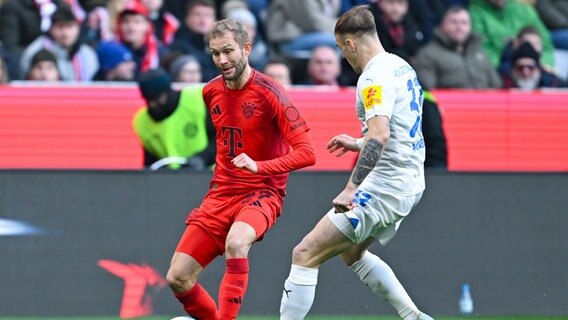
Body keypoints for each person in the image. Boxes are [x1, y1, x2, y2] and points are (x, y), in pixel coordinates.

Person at [279, 5, 433, 320]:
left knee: (305, 253)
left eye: (340, 48)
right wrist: (359, 141)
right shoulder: (400, 65)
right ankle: (413, 316)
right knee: (352, 252)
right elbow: (397, 128)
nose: (343, 57)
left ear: (350, 44)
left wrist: (352, 188)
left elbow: (380, 136)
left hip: (386, 186)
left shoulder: (373, 77)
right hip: (410, 181)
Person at [165, 18, 316, 320]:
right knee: (177, 278)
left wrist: (259, 166)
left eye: (228, 51)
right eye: (215, 53)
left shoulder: (270, 92)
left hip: (262, 192)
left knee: (237, 243)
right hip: (221, 194)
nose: (221, 60)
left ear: (246, 48)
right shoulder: (210, 92)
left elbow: (307, 153)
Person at [133, 68, 215, 170]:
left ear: (168, 92)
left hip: (208, 173)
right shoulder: (142, 122)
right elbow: (151, 160)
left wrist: (202, 158)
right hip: (172, 179)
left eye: (158, 98)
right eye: (149, 100)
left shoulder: (196, 100)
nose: (153, 104)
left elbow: (220, 140)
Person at [413, 5, 501, 89]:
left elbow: (497, 85)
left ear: (470, 26)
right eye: (454, 22)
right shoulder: (428, 54)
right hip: (447, 104)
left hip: (486, 104)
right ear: (442, 25)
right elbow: (427, 92)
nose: (459, 27)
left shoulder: (479, 51)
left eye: (464, 23)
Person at [19, 4, 99, 81]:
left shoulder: (87, 53)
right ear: (51, 28)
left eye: (69, 26)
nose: (65, 33)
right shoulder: (34, 51)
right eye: (60, 27)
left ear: (78, 28)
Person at [469, 0, 555, 68]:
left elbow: (546, 45)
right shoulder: (474, 14)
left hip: (535, 70)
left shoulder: (524, 10)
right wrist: (512, 67)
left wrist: (543, 63)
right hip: (501, 73)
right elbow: (482, 51)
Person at [170, 0, 218, 81]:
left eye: (208, 15)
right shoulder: (178, 47)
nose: (203, 20)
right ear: (187, 18)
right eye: (197, 15)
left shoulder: (217, 47)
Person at [502, 41, 567, 89]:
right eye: (520, 68)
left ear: (538, 69)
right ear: (513, 70)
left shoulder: (552, 83)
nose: (525, 72)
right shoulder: (503, 85)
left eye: (530, 67)